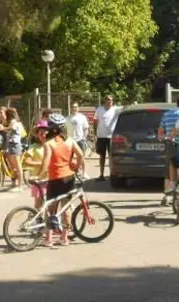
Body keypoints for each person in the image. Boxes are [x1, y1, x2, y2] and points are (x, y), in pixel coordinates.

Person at [40, 114, 85, 247]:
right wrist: (76, 167)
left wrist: (38, 174)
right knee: (66, 208)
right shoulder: (70, 140)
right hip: (68, 178)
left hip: (54, 179)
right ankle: (64, 238)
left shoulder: (49, 143)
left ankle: (49, 239)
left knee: (51, 209)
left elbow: (46, 161)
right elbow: (80, 155)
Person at [158, 94, 179, 206]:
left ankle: (167, 197)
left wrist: (161, 137)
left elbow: (161, 131)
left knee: (169, 170)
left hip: (171, 145)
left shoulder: (167, 114)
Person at [23, 120, 50, 210]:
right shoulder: (34, 147)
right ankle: (37, 221)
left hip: (52, 179)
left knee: (51, 207)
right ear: (37, 135)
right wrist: (41, 164)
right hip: (39, 180)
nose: (43, 135)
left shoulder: (52, 145)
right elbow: (26, 161)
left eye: (45, 133)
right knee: (38, 206)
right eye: (40, 133)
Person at [93, 95, 120, 181]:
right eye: (108, 100)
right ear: (105, 101)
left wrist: (133, 104)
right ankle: (101, 175)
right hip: (101, 136)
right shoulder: (99, 110)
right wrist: (95, 133)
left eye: (111, 100)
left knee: (112, 157)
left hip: (112, 137)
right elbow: (95, 121)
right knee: (102, 156)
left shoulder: (115, 109)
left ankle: (112, 175)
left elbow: (125, 108)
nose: (110, 102)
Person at [3, 108, 26, 191]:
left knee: (17, 165)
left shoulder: (14, 122)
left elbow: (11, 128)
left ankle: (20, 186)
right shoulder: (13, 122)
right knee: (13, 166)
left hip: (15, 144)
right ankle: (15, 183)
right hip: (11, 144)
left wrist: (3, 128)